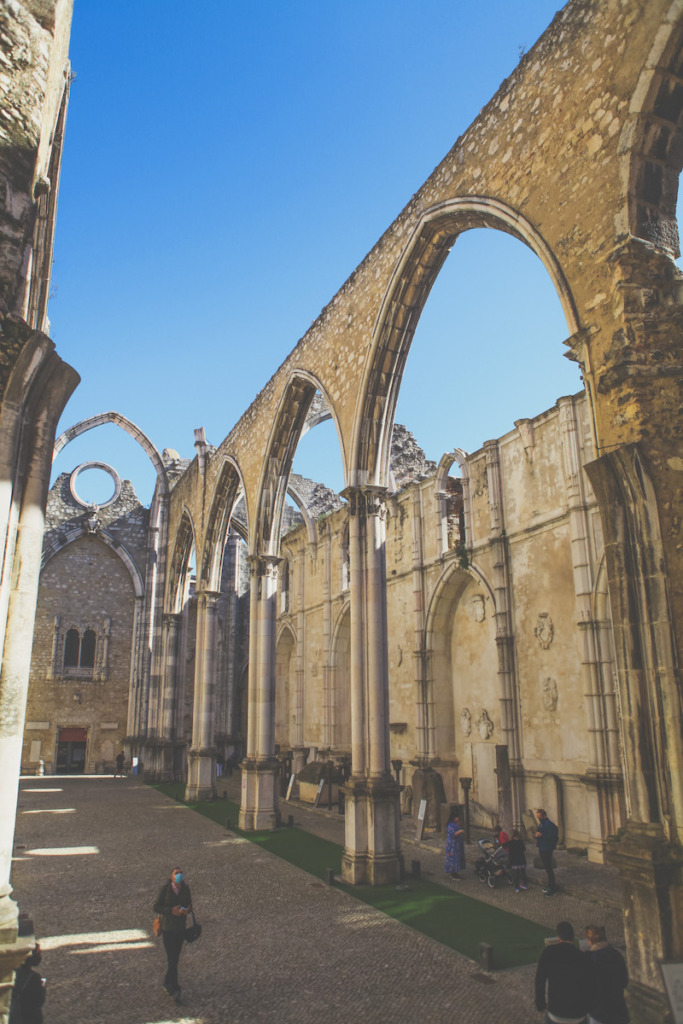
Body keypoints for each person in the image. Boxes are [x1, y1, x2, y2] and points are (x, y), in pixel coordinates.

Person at [535, 921, 594, 1024]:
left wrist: (540, 1005)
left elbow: (539, 980)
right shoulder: (583, 957)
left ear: (559, 937)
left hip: (556, 1013)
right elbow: (591, 985)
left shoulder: (549, 952)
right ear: (573, 937)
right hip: (578, 1014)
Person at [153, 867, 192, 1004]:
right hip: (168, 929)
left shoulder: (186, 889)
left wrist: (186, 911)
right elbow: (156, 906)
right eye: (176, 873)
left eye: (181, 873)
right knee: (172, 959)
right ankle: (175, 989)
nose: (179, 875)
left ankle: (168, 983)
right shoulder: (166, 890)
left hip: (180, 929)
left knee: (174, 959)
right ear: (171, 877)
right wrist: (171, 910)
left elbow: (190, 906)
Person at [584, 925, 629, 1024]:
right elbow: (624, 981)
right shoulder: (616, 955)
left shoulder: (589, 959)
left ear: (590, 941)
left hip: (599, 1013)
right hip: (618, 1009)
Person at [10, 944, 46, 1024]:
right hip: (29, 1018)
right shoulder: (33, 977)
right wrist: (42, 988)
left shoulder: (12, 972)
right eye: (38, 953)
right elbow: (38, 1000)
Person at [535, 808, 559, 895]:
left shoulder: (549, 825)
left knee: (549, 868)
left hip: (547, 849)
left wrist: (542, 835)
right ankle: (550, 885)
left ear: (544, 816)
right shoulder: (542, 824)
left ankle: (552, 888)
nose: (538, 818)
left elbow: (553, 837)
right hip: (542, 847)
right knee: (547, 868)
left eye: (539, 817)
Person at [444, 809, 466, 879]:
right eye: (457, 817)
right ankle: (453, 873)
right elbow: (454, 834)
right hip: (452, 846)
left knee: (457, 859)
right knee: (452, 859)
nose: (458, 819)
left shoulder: (455, 825)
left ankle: (455, 872)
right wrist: (460, 831)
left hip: (457, 846)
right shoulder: (450, 826)